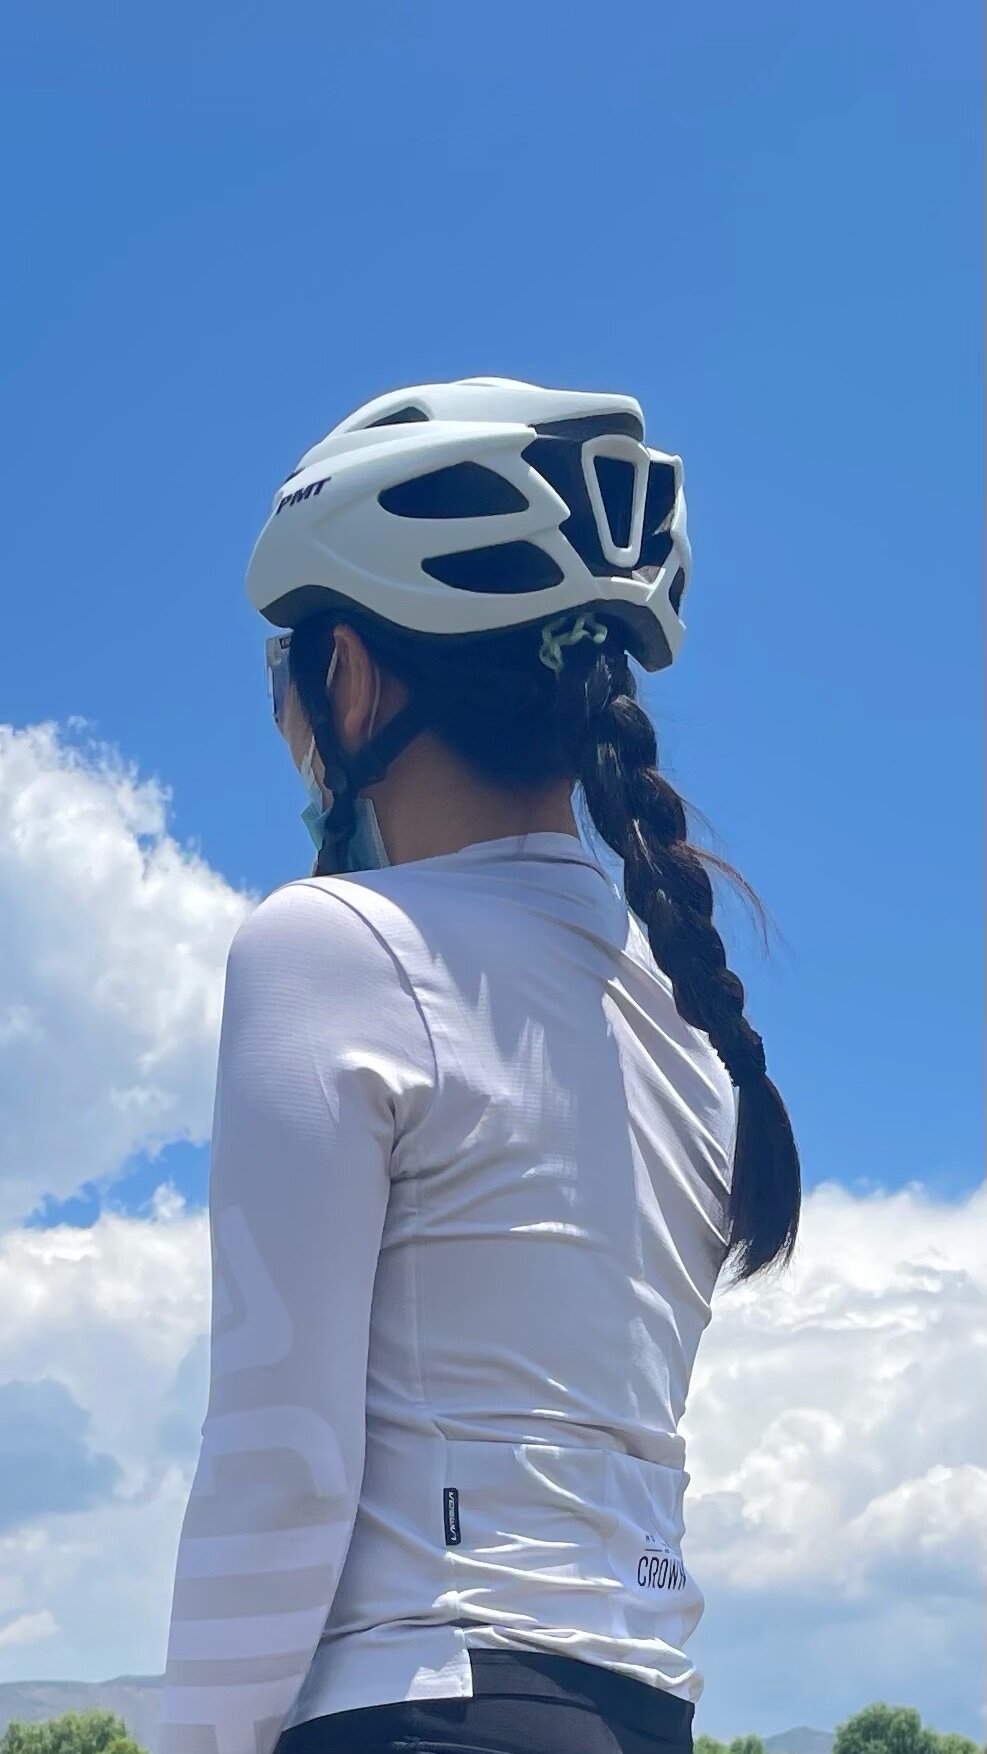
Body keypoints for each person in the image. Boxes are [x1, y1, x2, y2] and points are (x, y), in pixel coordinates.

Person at [156, 376, 801, 1754]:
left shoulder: (332, 944)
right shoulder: (692, 1018)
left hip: (415, 1697)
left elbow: (279, 1471)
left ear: (349, 674)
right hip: (639, 1708)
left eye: (282, 674)